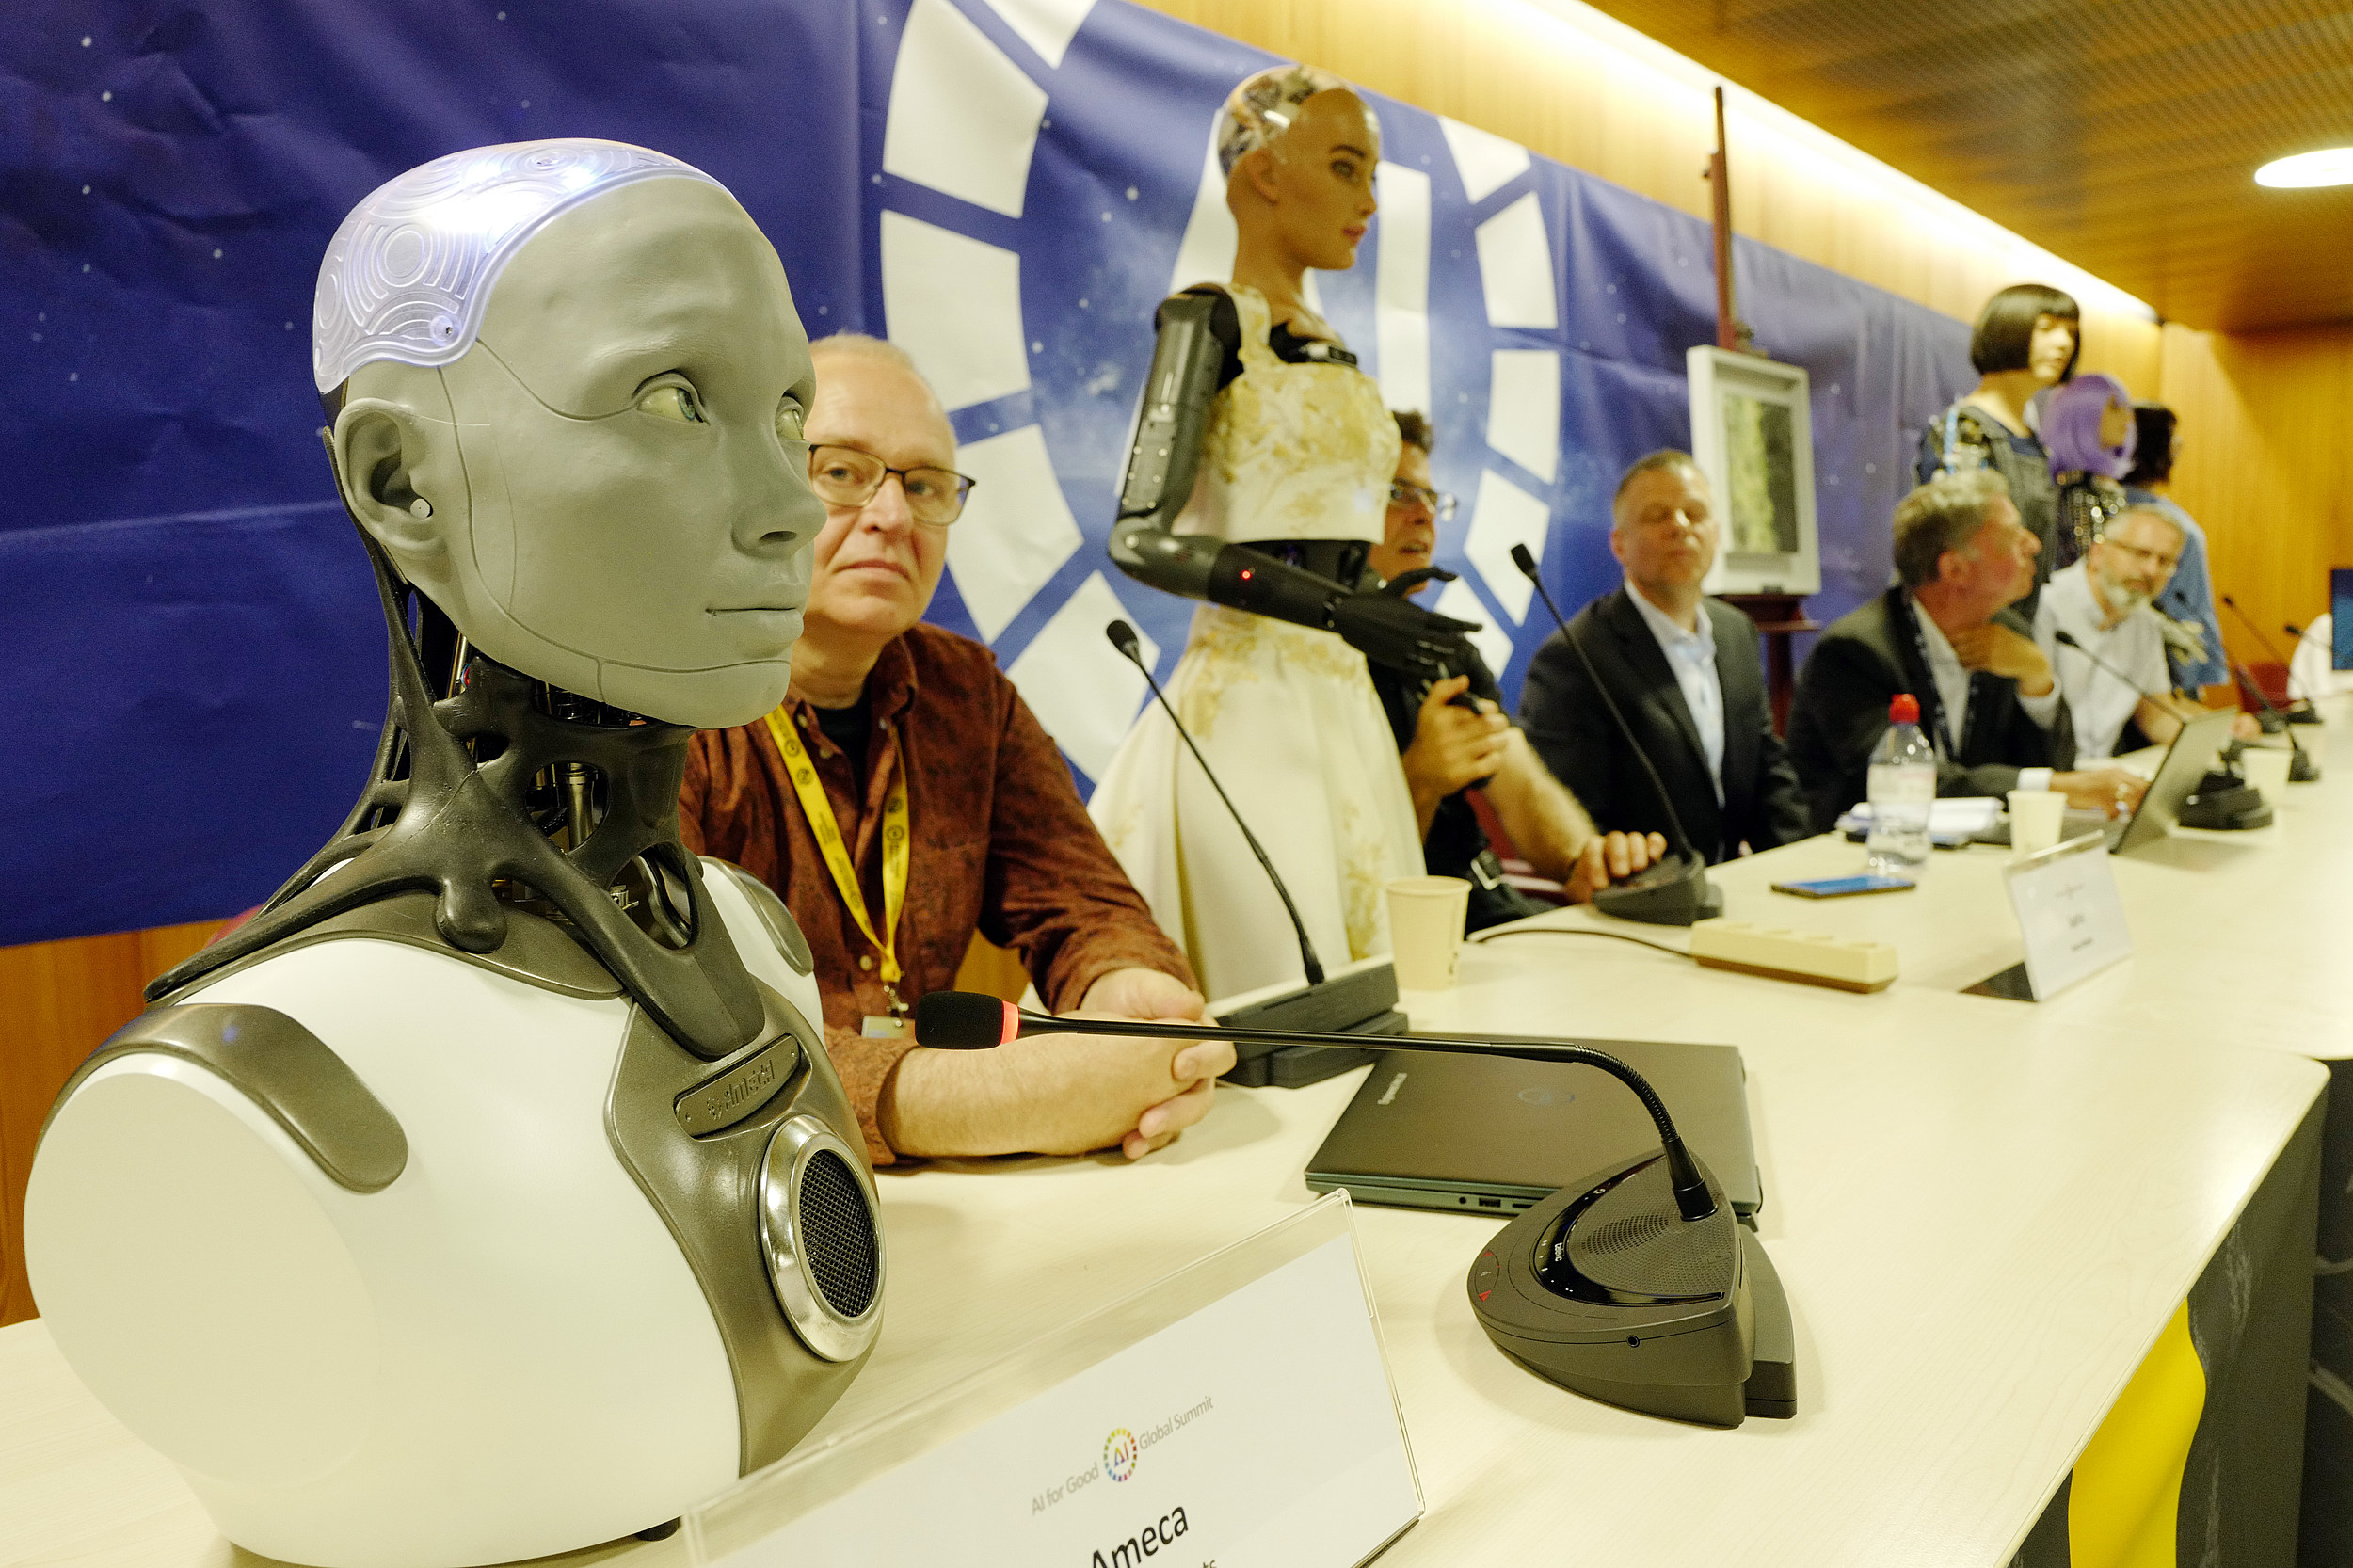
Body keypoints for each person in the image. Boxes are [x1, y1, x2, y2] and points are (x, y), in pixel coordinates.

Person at [681, 334, 1234, 1165]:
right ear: (757, 482)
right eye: (841, 472)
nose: (894, 516)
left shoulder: (965, 694)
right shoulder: (653, 699)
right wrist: (967, 1099)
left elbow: (1085, 905)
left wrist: (1136, 1005)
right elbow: (670, 1029)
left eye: (926, 485)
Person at [1089, 65, 1464, 999]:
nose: (1367, 201)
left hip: (1343, 709)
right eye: (1345, 168)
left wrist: (1371, 611)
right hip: (1248, 707)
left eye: (1373, 175)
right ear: (1263, 169)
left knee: (1377, 973)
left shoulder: (1334, 347)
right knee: (1276, 979)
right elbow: (1139, 535)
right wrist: (1334, 607)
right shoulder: (1205, 323)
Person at [1364, 412, 1665, 927]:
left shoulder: (1444, 648)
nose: (1424, 517)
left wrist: (1584, 861)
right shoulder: (1306, 659)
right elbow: (1343, 894)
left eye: (1432, 500)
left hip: (1491, 914)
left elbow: (1518, 782)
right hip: (1410, 935)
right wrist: (1419, 782)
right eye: (1398, 493)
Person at [1786, 470, 2148, 827]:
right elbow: (1904, 782)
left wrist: (2038, 678)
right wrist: (2055, 787)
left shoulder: (2007, 633)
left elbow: (2053, 766)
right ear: (1955, 568)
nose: (2034, 544)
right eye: (2011, 535)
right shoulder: (1855, 652)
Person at [1517, 451, 1812, 863]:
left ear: (1716, 531)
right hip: (1644, 896)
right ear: (1619, 544)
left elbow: (1767, 772)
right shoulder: (1573, 658)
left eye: (1695, 513)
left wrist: (1800, 868)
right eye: (1658, 516)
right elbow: (1571, 817)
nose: (1680, 526)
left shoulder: (1736, 632)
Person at [2031, 505, 2258, 760]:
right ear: (2098, 552)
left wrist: (2220, 732)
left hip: (2106, 777)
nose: (2151, 570)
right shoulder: (2044, 606)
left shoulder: (2146, 622)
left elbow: (2156, 715)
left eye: (2165, 561)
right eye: (2140, 553)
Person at [1916, 283, 2079, 615]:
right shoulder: (1967, 429)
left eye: (2071, 332)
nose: (2064, 343)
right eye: (2046, 328)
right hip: (1973, 627)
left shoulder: (2033, 440)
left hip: (2020, 623)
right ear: (2006, 329)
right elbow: (1957, 549)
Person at [2121, 402, 2228, 693]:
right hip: (2162, 679)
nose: (2180, 445)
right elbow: (2192, 610)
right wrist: (2202, 674)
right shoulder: (2178, 531)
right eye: (2172, 437)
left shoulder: (2080, 508)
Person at [2040, 372, 2136, 575]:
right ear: (2083, 414)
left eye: (2127, 408)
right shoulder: (2078, 493)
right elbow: (2096, 570)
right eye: (2115, 408)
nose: (2127, 418)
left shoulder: (2096, 485)